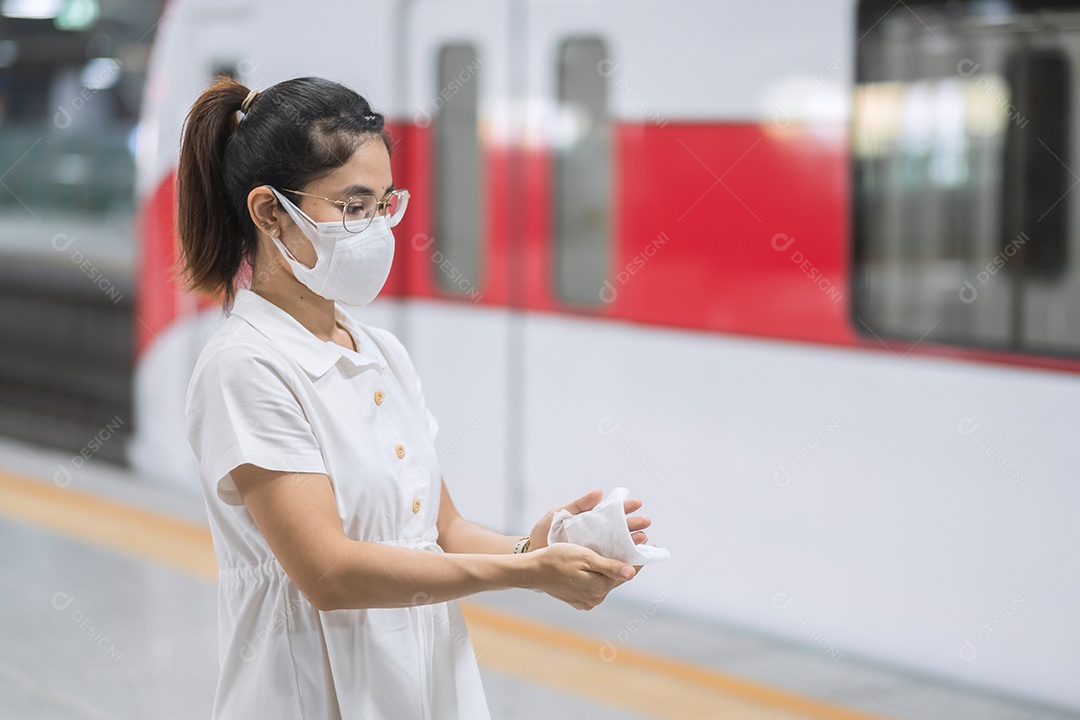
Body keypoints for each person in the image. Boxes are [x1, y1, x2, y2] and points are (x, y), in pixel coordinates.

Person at [179, 75, 653, 719]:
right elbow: (329, 574)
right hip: (306, 695)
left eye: (383, 204)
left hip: (424, 688)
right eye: (351, 206)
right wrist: (523, 575)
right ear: (268, 213)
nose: (375, 228)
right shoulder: (245, 366)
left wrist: (532, 547)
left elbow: (440, 530)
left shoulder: (381, 354)